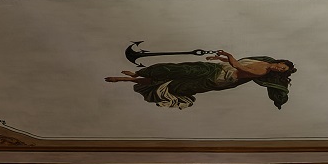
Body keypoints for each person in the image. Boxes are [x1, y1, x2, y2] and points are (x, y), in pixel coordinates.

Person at [106, 51, 295, 110]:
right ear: (279, 61)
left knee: (175, 84)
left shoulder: (262, 73)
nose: (279, 68)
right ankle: (136, 74)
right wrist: (221, 59)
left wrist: (228, 55)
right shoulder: (263, 60)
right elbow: (238, 63)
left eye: (282, 70)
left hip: (217, 79)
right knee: (178, 68)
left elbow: (241, 68)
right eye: (281, 65)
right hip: (216, 69)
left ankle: (126, 80)